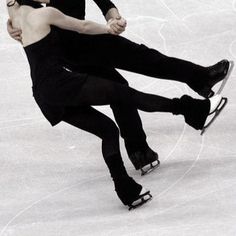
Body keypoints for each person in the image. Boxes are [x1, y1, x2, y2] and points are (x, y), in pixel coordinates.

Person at [6, 0, 228, 210]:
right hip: (77, 45)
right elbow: (68, 22)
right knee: (140, 68)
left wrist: (112, 14)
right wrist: (15, 19)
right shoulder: (41, 13)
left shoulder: (33, 12)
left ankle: (139, 154)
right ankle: (195, 95)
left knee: (119, 94)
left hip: (69, 57)